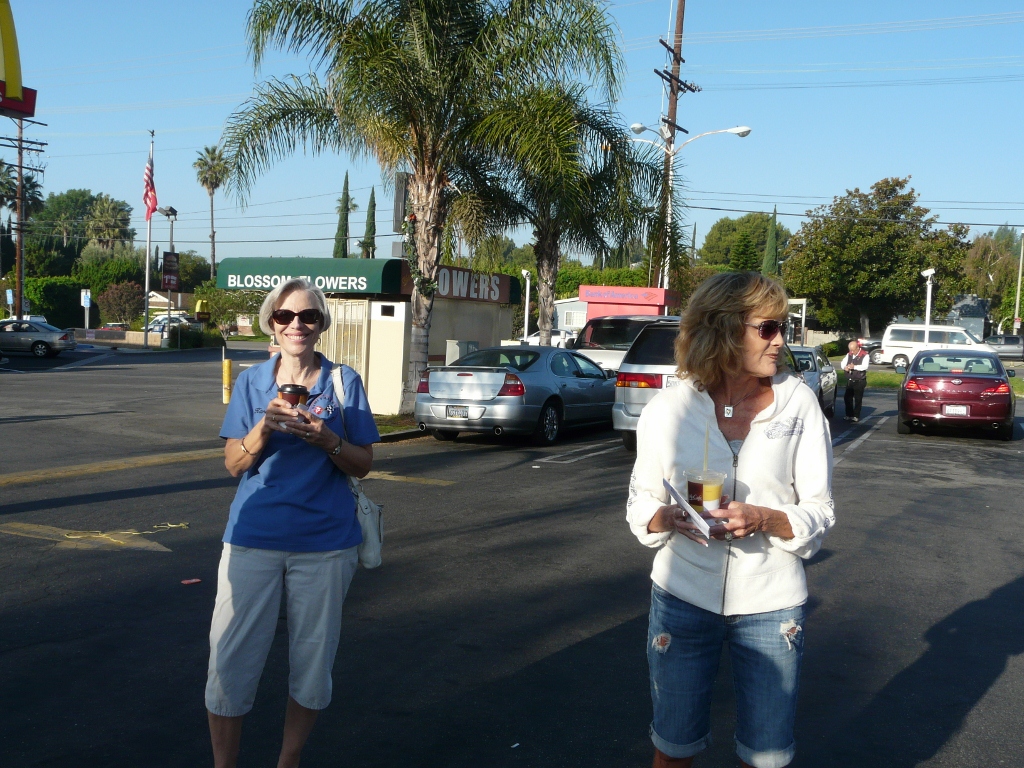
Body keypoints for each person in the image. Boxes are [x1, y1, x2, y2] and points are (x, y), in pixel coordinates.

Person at [626, 271, 835, 768]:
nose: (781, 340)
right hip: (681, 597)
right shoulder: (669, 408)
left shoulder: (799, 404)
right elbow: (638, 502)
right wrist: (667, 517)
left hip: (772, 606)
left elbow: (820, 512)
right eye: (768, 328)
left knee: (767, 754)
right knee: (673, 746)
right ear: (722, 329)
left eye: (783, 327)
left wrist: (764, 517)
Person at [205, 278, 380, 768]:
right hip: (252, 540)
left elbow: (363, 463)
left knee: (311, 664)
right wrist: (264, 426)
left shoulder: (344, 383)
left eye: (308, 317)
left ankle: (288, 762)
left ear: (321, 326)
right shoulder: (251, 382)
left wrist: (326, 439)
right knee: (229, 661)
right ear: (271, 324)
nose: (296, 325)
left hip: (325, 545)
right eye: (285, 316)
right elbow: (234, 465)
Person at [840, 340, 869, 422]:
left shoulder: (864, 355)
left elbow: (865, 366)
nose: (851, 352)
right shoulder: (849, 354)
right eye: (850, 350)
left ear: (858, 348)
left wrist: (854, 367)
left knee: (858, 399)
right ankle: (848, 414)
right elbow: (843, 363)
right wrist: (845, 367)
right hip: (850, 380)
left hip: (859, 380)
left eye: (853, 350)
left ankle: (856, 416)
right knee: (847, 398)